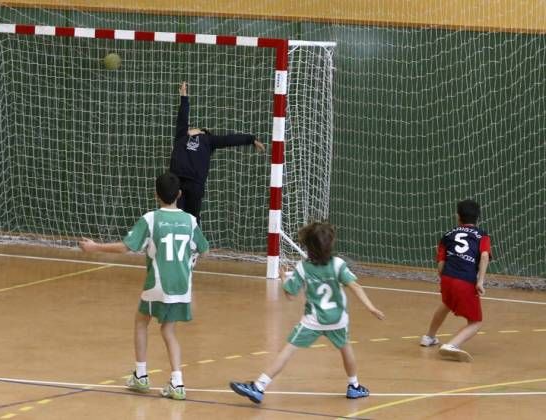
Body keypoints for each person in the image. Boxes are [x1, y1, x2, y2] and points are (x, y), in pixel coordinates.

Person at [79, 171, 209, 400]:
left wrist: (95, 247)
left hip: (158, 283)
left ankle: (141, 375)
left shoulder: (151, 219)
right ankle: (177, 383)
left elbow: (125, 247)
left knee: (141, 321)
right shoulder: (190, 220)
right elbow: (204, 249)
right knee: (168, 330)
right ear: (179, 194)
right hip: (182, 286)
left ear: (156, 195)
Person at [229, 222, 385, 404]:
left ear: (308, 246)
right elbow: (355, 286)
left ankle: (259, 386)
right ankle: (355, 386)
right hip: (337, 319)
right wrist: (371, 307)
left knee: (288, 350)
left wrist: (282, 278)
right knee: (346, 349)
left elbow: (290, 295)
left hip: (314, 320)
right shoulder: (338, 265)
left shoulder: (303, 267)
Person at [170, 81, 265, 225]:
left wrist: (251, 139)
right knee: (176, 215)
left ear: (203, 132)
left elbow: (229, 140)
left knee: (192, 218)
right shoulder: (182, 135)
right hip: (176, 181)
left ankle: (195, 245)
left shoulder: (208, 140)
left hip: (194, 183)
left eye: (200, 130)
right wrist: (183, 96)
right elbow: (182, 117)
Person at [420, 199, 491, 362]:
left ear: (457, 217)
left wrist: (446, 281)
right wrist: (480, 281)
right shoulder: (482, 235)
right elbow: (485, 256)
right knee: (476, 322)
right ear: (478, 218)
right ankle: (452, 345)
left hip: (447, 277)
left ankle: (429, 337)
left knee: (446, 303)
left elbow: (441, 265)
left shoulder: (447, 235)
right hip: (465, 280)